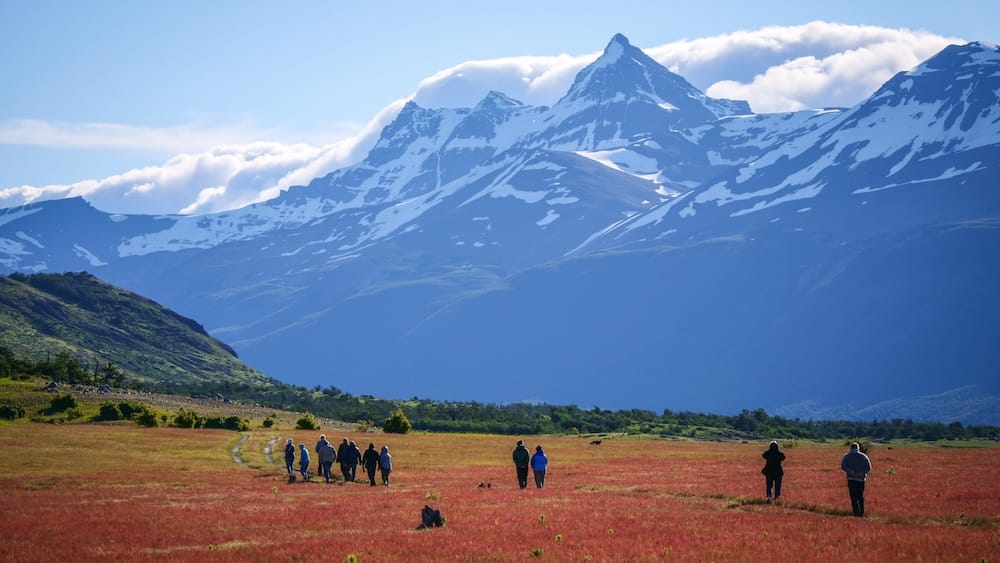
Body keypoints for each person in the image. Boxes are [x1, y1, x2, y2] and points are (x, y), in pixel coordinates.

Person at [841, 442, 872, 516]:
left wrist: (851, 471)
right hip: (861, 479)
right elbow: (868, 467)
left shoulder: (846, 456)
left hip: (851, 478)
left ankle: (856, 512)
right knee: (860, 496)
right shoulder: (864, 456)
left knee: (853, 496)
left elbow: (843, 466)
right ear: (858, 448)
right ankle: (861, 512)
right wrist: (861, 472)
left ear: (851, 448)